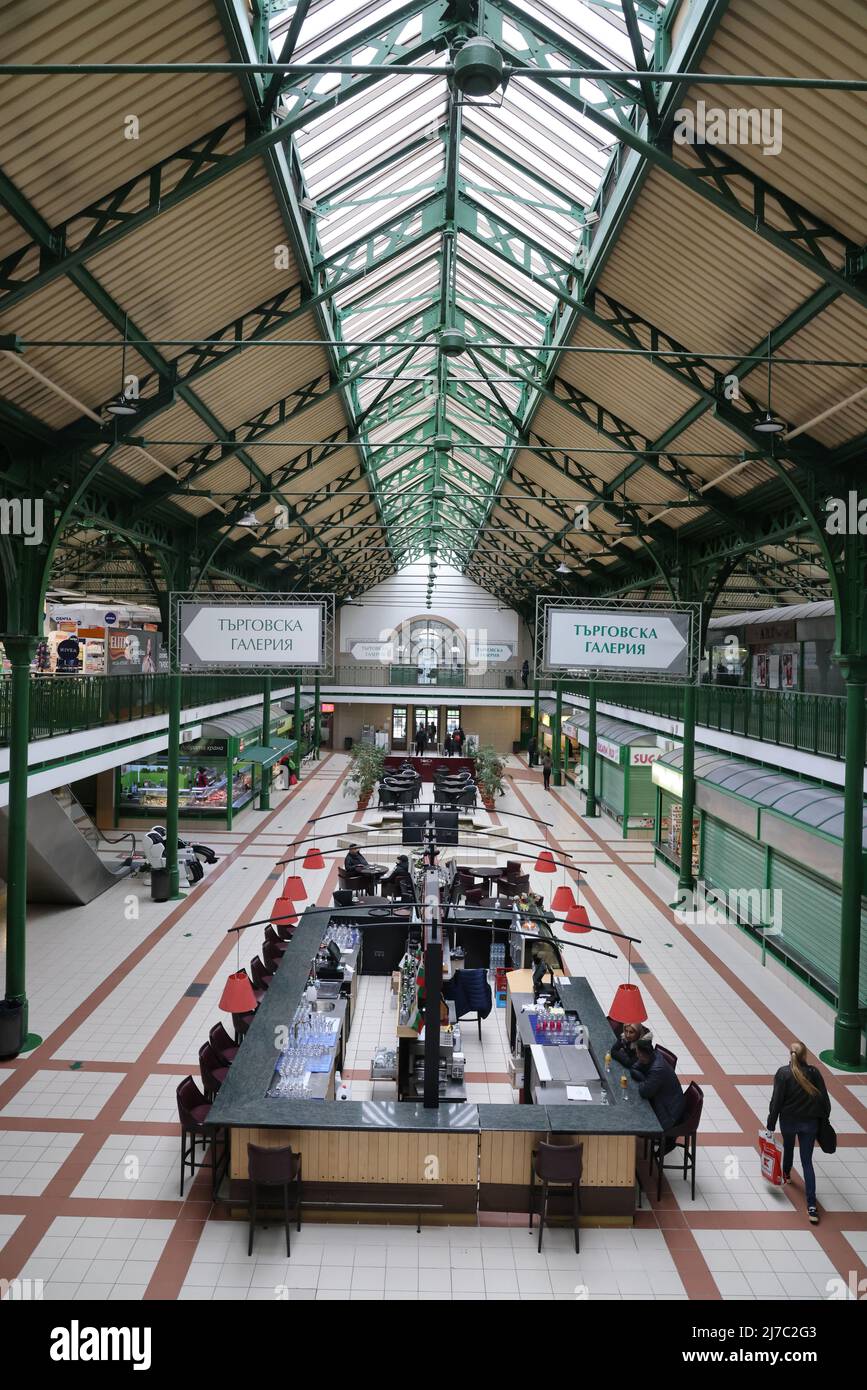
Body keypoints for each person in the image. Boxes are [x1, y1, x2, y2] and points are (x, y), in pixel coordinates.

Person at [767, 1040, 831, 1224]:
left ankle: (786, 1174)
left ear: (791, 1054)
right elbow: (825, 1101)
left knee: (788, 1147)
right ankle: (811, 1205)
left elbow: (776, 1101)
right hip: (809, 1125)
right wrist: (823, 1118)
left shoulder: (783, 1074)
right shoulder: (814, 1073)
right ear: (805, 1056)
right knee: (807, 1162)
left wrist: (770, 1124)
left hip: (788, 1122)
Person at [630, 1037, 685, 1149]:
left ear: (641, 1054)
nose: (636, 1055)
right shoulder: (652, 1056)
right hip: (664, 1101)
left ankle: (667, 1141)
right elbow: (634, 1068)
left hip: (669, 1113)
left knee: (635, 1123)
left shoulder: (657, 1069)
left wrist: (644, 1082)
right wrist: (645, 1080)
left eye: (637, 1053)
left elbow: (644, 1092)